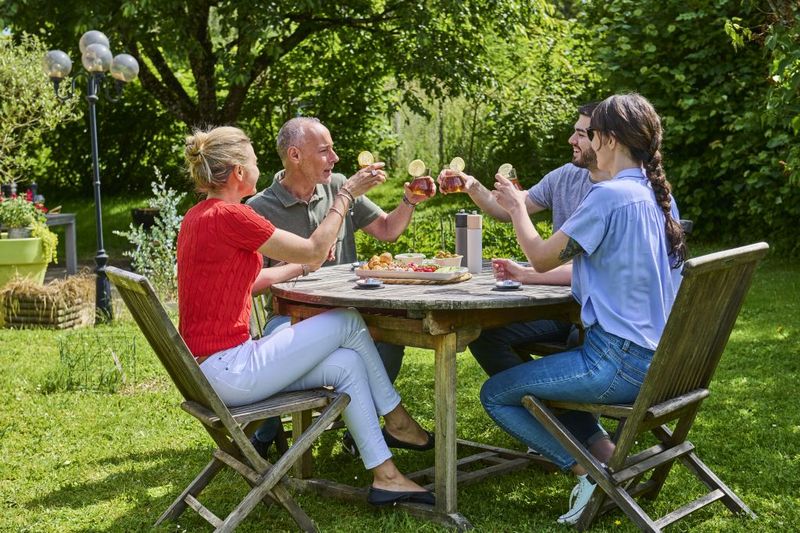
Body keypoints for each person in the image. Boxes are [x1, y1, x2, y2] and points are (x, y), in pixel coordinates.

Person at [178, 125, 435, 506]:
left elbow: (252, 277)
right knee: (348, 320)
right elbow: (316, 250)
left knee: (347, 363)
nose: (258, 165)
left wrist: (298, 269)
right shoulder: (234, 216)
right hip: (232, 370)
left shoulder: (200, 215)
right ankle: (397, 419)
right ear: (237, 173)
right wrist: (344, 196)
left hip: (211, 371)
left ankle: (387, 476)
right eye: (252, 159)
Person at [480, 93, 685, 524]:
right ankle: (599, 459)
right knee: (532, 375)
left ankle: (591, 471)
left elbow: (540, 255)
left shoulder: (609, 197)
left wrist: (518, 208)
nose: (586, 141)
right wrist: (527, 276)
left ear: (608, 139)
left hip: (618, 364)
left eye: (590, 134)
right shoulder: (654, 195)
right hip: (664, 362)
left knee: (496, 394)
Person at [246, 117, 436, 456]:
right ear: (295, 155)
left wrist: (408, 202)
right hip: (291, 316)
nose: (335, 158)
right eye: (324, 151)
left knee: (390, 340)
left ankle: (358, 427)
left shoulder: (338, 186)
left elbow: (388, 230)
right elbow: (252, 284)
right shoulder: (260, 208)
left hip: (351, 312)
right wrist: (304, 264)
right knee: (289, 349)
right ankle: (267, 427)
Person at [437, 103, 603, 377]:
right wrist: (472, 186)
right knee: (484, 333)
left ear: (605, 141)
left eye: (581, 134)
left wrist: (527, 274)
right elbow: (511, 207)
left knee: (576, 343)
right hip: (559, 304)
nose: (571, 140)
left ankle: (552, 411)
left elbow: (582, 270)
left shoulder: (611, 196)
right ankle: (543, 408)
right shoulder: (566, 176)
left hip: (589, 314)